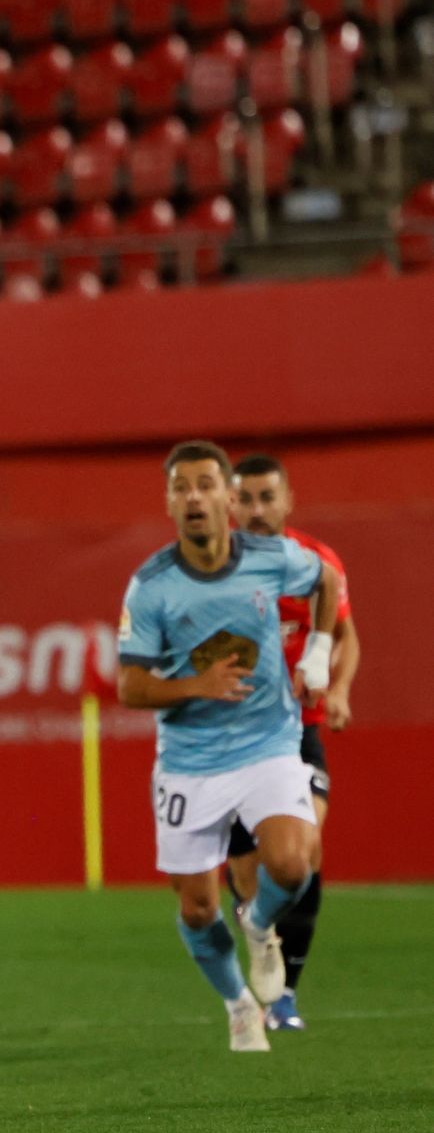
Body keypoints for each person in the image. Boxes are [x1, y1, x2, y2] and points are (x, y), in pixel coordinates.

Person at [116, 440, 341, 1052]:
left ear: (226, 497)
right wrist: (197, 684)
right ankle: (239, 1004)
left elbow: (328, 578)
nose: (194, 496)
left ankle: (261, 923)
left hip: (268, 740)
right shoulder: (151, 587)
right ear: (168, 502)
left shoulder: (270, 558)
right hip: (191, 761)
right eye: (180, 486)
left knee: (294, 864)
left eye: (206, 484)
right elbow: (130, 687)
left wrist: (320, 651)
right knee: (195, 908)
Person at [225, 453, 361, 1030]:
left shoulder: (317, 565)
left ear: (288, 501)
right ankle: (257, 932)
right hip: (229, 739)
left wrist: (339, 689)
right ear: (231, 505)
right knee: (252, 874)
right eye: (246, 499)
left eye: (267, 498)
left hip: (296, 734)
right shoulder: (211, 570)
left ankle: (285, 998)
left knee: (300, 854)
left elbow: (347, 637)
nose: (257, 510)